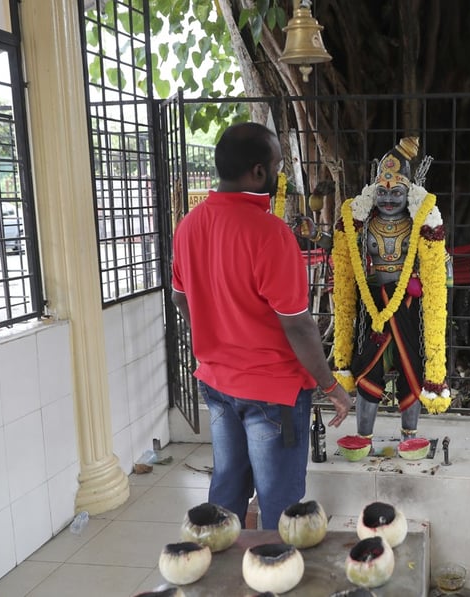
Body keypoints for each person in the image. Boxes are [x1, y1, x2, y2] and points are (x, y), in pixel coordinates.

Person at [170, 122, 353, 529]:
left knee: (226, 492)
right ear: (257, 172)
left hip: (216, 382)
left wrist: (216, 331)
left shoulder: (189, 226)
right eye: (276, 166)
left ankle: (218, 578)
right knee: (279, 503)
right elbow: (300, 326)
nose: (278, 174)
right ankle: (274, 581)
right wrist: (331, 387)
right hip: (274, 393)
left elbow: (180, 298)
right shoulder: (270, 234)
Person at [328, 137, 452, 442]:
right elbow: (343, 257)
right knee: (367, 369)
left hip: (408, 306)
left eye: (396, 192)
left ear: (408, 193)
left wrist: (430, 279)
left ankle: (410, 436)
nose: (388, 199)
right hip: (372, 304)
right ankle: (363, 438)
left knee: (413, 367)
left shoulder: (419, 222)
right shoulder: (362, 221)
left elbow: (440, 267)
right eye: (382, 192)